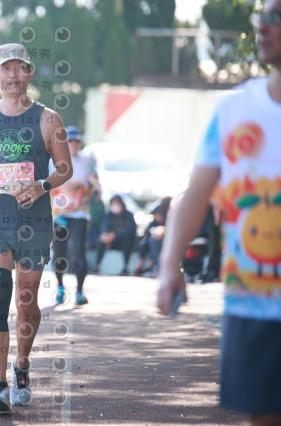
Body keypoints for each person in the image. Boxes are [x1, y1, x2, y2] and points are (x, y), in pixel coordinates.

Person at [158, 2, 281, 423]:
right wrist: (170, 264)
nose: (263, 26)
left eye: (276, 17)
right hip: (252, 305)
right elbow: (196, 194)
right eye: (261, 16)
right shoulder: (234, 110)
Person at [0, 43, 72, 413]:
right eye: (5, 69)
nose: (12, 76)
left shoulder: (49, 120)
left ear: (29, 72)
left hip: (34, 223)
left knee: (26, 302)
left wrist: (42, 185)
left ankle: (21, 365)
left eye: (19, 68)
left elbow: (65, 168)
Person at [51, 125, 101, 306]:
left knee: (79, 251)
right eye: (70, 140)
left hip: (80, 214)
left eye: (77, 140)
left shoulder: (87, 160)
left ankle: (80, 290)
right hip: (60, 215)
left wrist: (96, 188)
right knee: (60, 252)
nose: (73, 144)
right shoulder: (54, 160)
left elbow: (95, 180)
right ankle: (60, 287)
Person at [92, 194, 136, 275]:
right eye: (113, 204)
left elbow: (130, 230)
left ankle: (125, 267)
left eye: (117, 203)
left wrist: (115, 235)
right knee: (101, 240)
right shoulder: (108, 214)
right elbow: (105, 226)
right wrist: (106, 235)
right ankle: (97, 266)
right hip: (111, 241)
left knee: (127, 241)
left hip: (124, 241)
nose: (115, 206)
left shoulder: (129, 215)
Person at [134, 196, 171, 277]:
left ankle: (152, 268)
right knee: (146, 243)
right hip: (152, 241)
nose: (157, 217)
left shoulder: (169, 219)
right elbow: (147, 231)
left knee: (153, 241)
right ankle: (141, 267)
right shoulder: (154, 222)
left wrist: (163, 231)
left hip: (166, 241)